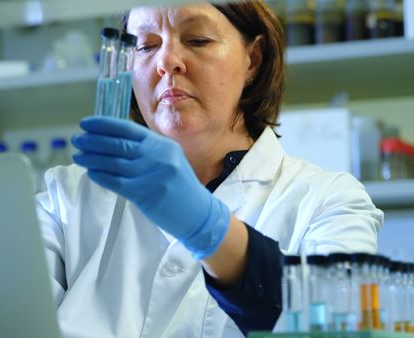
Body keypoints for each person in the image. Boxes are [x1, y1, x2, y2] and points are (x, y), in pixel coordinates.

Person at [35, 1, 382, 337]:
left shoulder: (328, 201)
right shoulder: (64, 199)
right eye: (146, 45)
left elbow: (341, 325)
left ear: (253, 60)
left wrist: (206, 227)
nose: (167, 61)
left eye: (197, 39)